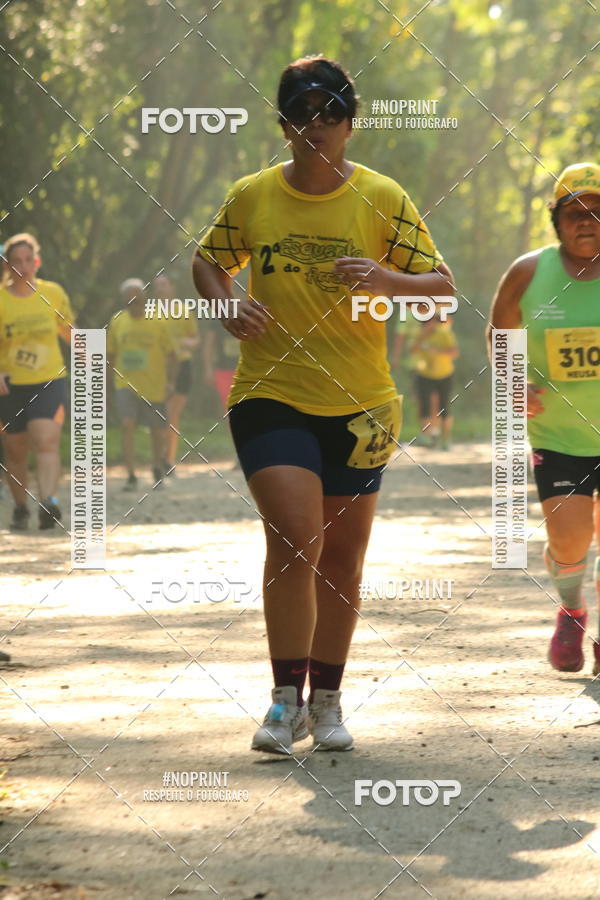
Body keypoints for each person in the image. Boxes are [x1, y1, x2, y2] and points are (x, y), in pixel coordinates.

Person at [193, 55, 454, 754]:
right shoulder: (252, 195)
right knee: (294, 535)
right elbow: (208, 261)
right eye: (303, 112)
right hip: (270, 392)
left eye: (331, 112)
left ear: (350, 123)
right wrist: (226, 306)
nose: (318, 126)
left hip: (361, 402)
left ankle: (327, 701)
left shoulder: (383, 197)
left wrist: (383, 278)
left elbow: (444, 287)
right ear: (282, 123)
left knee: (342, 559)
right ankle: (284, 701)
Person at [488, 162, 600, 674]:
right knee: (570, 540)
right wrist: (514, 385)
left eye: (598, 212)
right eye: (575, 212)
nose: (587, 222)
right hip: (558, 435)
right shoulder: (529, 272)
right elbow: (500, 337)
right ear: (556, 221)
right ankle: (572, 611)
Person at [0, 233, 74, 530]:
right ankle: (20, 507)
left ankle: (49, 502)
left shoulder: (53, 293)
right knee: (15, 452)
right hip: (10, 385)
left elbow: (67, 329)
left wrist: (90, 351)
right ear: (7, 264)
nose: (22, 266)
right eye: (16, 261)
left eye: (28, 260)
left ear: (37, 262)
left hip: (49, 379)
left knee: (46, 441)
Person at [107, 279, 176, 490]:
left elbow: (172, 355)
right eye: (129, 303)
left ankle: (156, 466)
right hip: (125, 383)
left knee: (157, 429)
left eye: (137, 301)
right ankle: (131, 475)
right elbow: (111, 354)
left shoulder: (158, 321)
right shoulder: (118, 320)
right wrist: (107, 386)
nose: (134, 306)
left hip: (154, 384)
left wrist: (171, 382)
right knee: (127, 424)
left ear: (144, 299)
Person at [151, 274, 199, 475]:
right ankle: (159, 457)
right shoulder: (150, 312)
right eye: (157, 286)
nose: (160, 289)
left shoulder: (183, 310)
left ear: (172, 287)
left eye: (163, 284)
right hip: (158, 367)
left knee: (171, 414)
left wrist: (184, 343)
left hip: (182, 364)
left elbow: (195, 339)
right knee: (158, 414)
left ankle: (168, 460)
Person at [410, 310, 459, 450]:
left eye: (431, 321)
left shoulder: (444, 333)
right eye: (425, 322)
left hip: (445, 373)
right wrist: (422, 337)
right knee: (424, 405)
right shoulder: (420, 334)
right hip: (424, 374)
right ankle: (426, 437)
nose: (428, 324)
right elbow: (413, 350)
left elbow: (454, 352)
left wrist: (436, 351)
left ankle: (445, 440)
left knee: (444, 407)